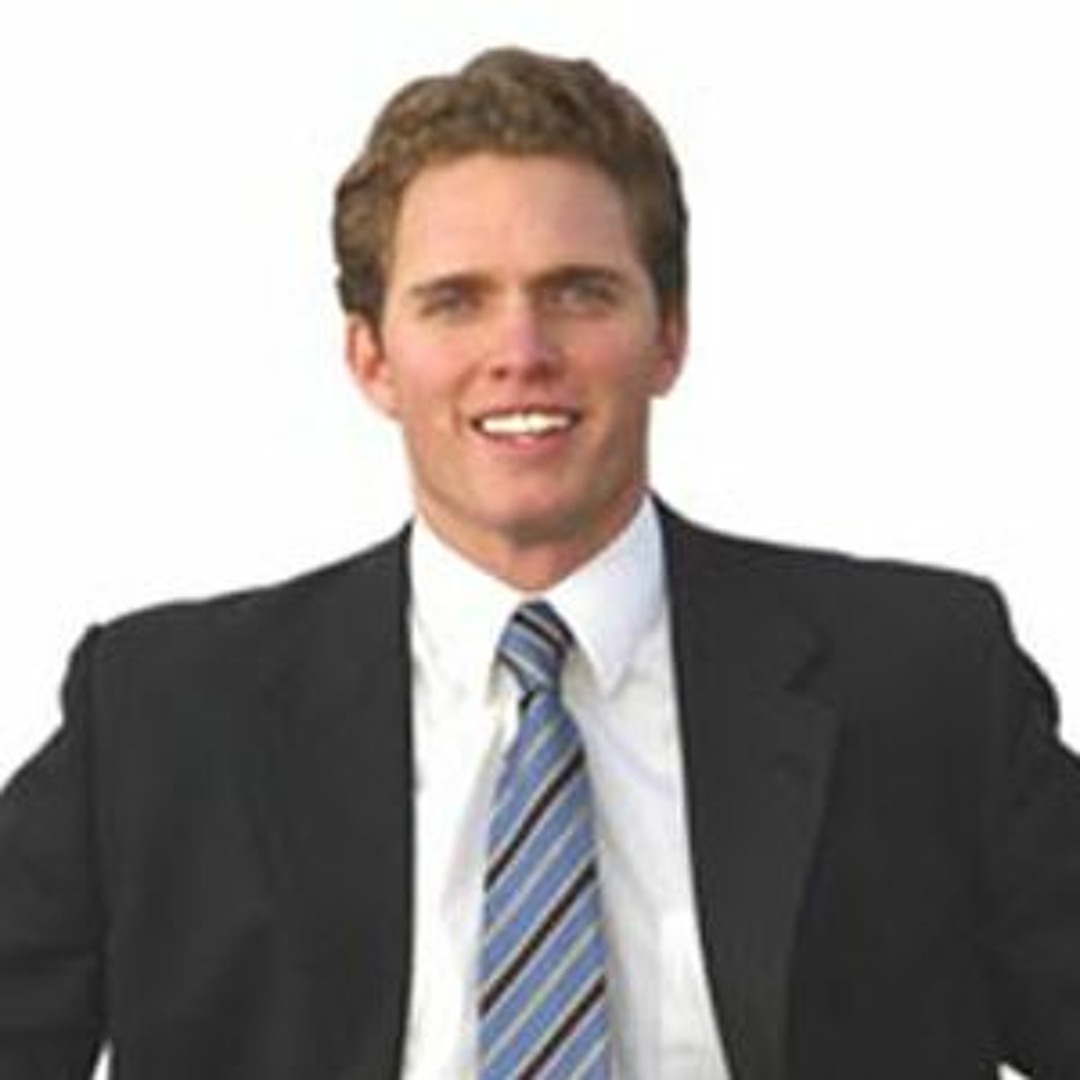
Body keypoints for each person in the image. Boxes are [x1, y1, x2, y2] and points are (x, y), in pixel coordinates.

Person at [1, 45, 1078, 1080]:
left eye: (578, 292)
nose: (521, 351)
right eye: (456, 300)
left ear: (669, 336)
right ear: (372, 358)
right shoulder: (160, 715)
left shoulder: (925, 679)